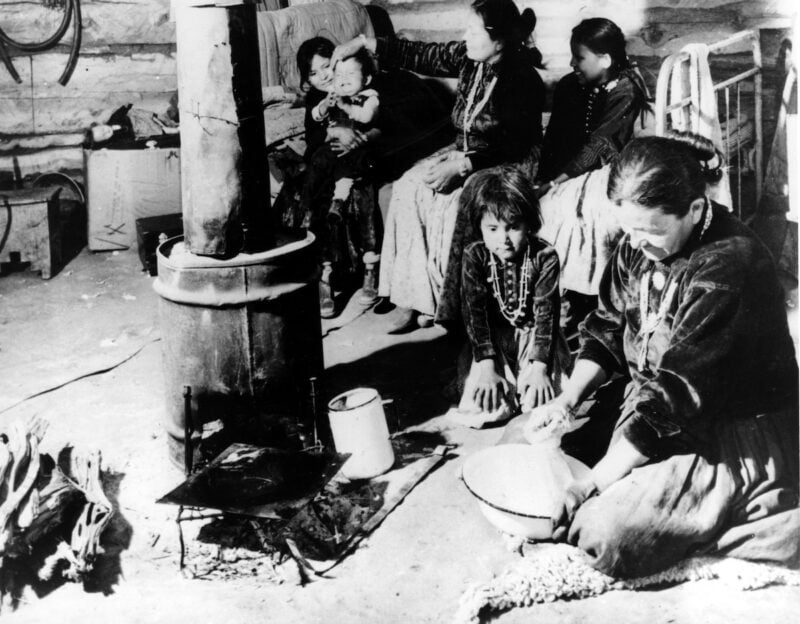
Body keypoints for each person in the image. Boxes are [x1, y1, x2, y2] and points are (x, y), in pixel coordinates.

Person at [509, 132, 799, 577]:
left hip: (726, 429)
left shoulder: (729, 263)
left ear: (696, 210)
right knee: (530, 457)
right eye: (628, 230)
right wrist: (566, 401)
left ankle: (757, 517)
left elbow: (678, 396)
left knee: (600, 534)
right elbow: (607, 327)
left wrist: (593, 483)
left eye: (651, 232)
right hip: (653, 408)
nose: (637, 244)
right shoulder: (638, 241)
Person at [332, 0, 545, 333]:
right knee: (407, 188)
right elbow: (422, 54)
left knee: (451, 208)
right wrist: (363, 43)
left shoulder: (522, 79)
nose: (466, 36)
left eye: (473, 30)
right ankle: (412, 297)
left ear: (499, 40)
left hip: (505, 160)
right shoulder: (469, 58)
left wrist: (462, 166)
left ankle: (450, 308)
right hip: (464, 150)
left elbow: (512, 143)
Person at [274, 37, 451, 317]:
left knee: (360, 181)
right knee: (317, 185)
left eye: (327, 68)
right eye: (313, 73)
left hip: (359, 154)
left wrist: (359, 136)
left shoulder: (363, 90)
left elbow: (381, 122)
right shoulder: (317, 98)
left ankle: (369, 269)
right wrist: (334, 131)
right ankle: (324, 274)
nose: (324, 77)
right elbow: (313, 134)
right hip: (327, 156)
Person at [449, 167, 570, 427]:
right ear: (479, 227)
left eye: (513, 227)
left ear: (529, 225)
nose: (503, 239)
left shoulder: (544, 256)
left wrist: (539, 369)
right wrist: (487, 367)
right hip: (492, 344)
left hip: (536, 341)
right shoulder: (475, 256)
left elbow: (546, 315)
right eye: (492, 228)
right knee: (488, 410)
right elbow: (475, 316)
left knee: (540, 407)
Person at [537, 17, 651, 191]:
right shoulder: (569, 85)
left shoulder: (625, 92)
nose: (571, 63)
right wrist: (543, 180)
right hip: (563, 174)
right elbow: (553, 139)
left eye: (579, 58)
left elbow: (599, 146)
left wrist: (554, 184)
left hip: (602, 177)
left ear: (605, 60)